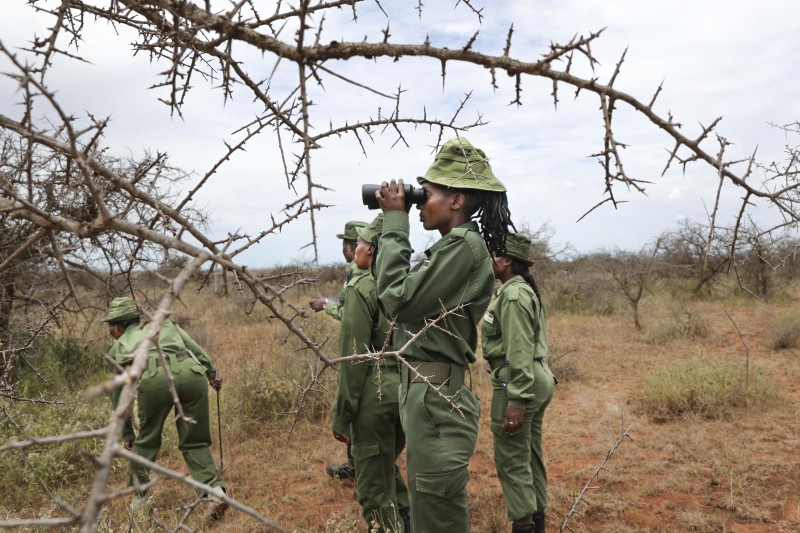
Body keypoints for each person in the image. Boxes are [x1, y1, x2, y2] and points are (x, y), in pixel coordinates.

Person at [374, 137, 514, 532]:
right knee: (426, 517)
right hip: (426, 397)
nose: (419, 202)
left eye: (427, 193)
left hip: (436, 402)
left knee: (437, 522)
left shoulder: (464, 247)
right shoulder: (450, 250)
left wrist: (394, 221)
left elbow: (396, 299)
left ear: (457, 200)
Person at [103, 297, 227, 522]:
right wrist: (211, 373)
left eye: (110, 326)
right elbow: (194, 348)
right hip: (191, 374)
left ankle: (140, 503)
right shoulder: (164, 323)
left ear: (118, 326)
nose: (111, 331)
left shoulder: (117, 347)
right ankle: (214, 494)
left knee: (146, 443)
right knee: (195, 440)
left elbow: (119, 396)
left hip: (154, 379)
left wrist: (128, 435)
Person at [331, 214, 411, 532]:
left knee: (373, 492)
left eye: (362, 243)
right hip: (406, 389)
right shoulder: (407, 284)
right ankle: (408, 521)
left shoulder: (362, 286)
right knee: (385, 467)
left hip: (374, 392)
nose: (357, 249)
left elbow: (355, 358)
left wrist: (342, 415)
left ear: (372, 251)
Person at [482, 233, 557, 533]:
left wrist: (516, 399)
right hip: (538, 378)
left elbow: (519, 351)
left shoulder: (512, 296)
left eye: (492, 254)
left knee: (512, 458)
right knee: (530, 453)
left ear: (506, 260)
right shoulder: (520, 290)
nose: (489, 260)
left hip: (519, 381)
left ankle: (524, 524)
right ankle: (537, 521)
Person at [310, 219, 367, 481]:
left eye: (347, 244)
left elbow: (349, 314)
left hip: (361, 354)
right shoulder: (366, 273)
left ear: (352, 247)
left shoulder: (359, 275)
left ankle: (362, 471)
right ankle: (355, 464)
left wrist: (325, 305)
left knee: (358, 410)